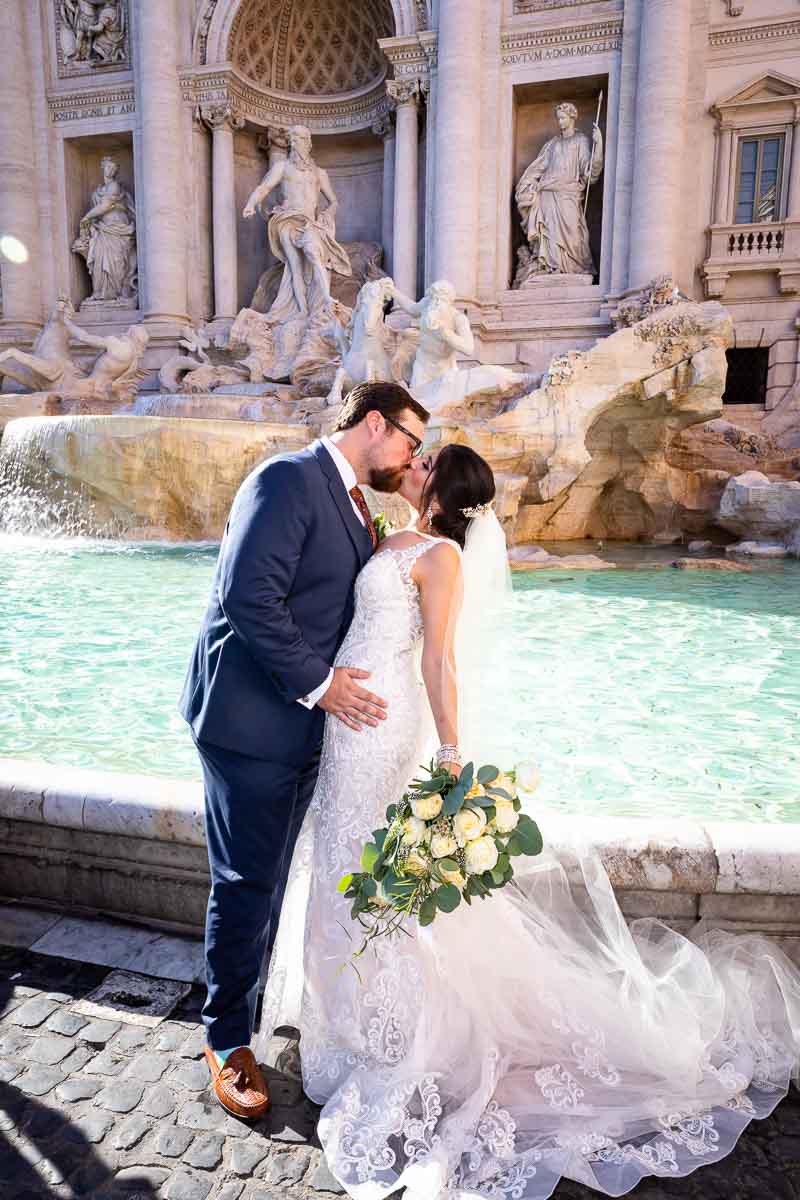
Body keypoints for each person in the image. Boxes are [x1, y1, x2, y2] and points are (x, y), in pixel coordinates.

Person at [257, 443, 800, 1199]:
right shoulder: (395, 534)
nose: (414, 463)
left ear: (442, 488)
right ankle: (350, 1024)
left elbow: (439, 660)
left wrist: (449, 750)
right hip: (348, 718)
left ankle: (396, 1032)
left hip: (384, 726)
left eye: (426, 462)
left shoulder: (441, 555)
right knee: (343, 857)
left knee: (371, 870)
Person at [179, 380, 429, 1120]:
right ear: (376, 424)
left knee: (274, 881)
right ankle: (226, 1041)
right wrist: (322, 685)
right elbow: (246, 594)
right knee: (246, 881)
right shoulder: (287, 478)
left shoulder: (355, 501)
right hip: (250, 722)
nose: (412, 455)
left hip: (305, 728)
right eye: (411, 441)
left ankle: (252, 1010)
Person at [515, 101, 603, 277]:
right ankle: (550, 268)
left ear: (572, 118)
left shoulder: (580, 141)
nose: (560, 122)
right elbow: (539, 167)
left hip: (568, 194)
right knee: (549, 235)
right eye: (558, 118)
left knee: (574, 235)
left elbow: (588, 171)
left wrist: (599, 145)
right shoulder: (553, 144)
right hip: (547, 193)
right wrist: (526, 184)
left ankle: (572, 267)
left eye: (562, 118)